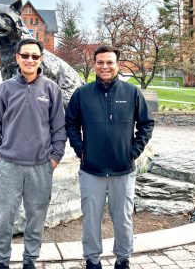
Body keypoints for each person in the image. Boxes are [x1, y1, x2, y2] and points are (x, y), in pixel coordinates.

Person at [65, 45, 154, 269]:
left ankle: (123, 259)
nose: (105, 66)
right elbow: (70, 124)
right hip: (91, 170)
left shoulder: (132, 92)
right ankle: (92, 260)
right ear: (94, 64)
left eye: (109, 62)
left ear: (117, 64)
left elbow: (146, 124)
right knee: (91, 219)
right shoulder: (82, 94)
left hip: (122, 170)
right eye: (100, 62)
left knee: (123, 218)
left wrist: (132, 152)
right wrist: (81, 150)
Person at [0, 38, 67, 269]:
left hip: (41, 166)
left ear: (40, 59)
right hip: (9, 165)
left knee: (36, 218)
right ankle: (2, 262)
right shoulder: (5, 89)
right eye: (25, 55)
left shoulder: (51, 89)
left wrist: (55, 158)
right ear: (17, 58)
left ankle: (30, 260)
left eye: (35, 56)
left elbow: (59, 128)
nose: (30, 60)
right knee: (4, 218)